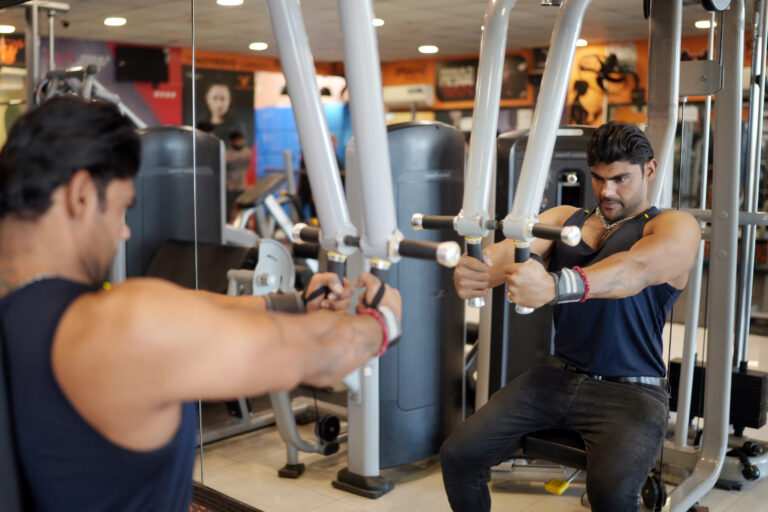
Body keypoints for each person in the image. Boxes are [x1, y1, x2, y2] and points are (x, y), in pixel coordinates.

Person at [0, 97, 401, 511]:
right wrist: (382, 317)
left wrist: (295, 303)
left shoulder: (37, 310)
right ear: (81, 195)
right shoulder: (117, 326)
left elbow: (177, 310)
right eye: (121, 210)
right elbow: (319, 357)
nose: (123, 233)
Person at [441, 122, 701, 511]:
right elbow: (510, 252)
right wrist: (476, 269)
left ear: (650, 170)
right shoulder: (566, 218)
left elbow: (634, 269)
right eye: (597, 178)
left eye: (620, 179)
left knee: (610, 495)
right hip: (555, 378)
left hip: (632, 393)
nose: (607, 191)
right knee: (458, 455)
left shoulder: (674, 226)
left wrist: (558, 285)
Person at [225, 130, 252, 218]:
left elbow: (247, 166)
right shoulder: (227, 154)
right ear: (232, 141)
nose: (239, 142)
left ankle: (244, 228)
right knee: (228, 210)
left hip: (242, 185)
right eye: (237, 140)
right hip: (230, 186)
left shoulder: (247, 152)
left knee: (243, 210)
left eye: (240, 140)